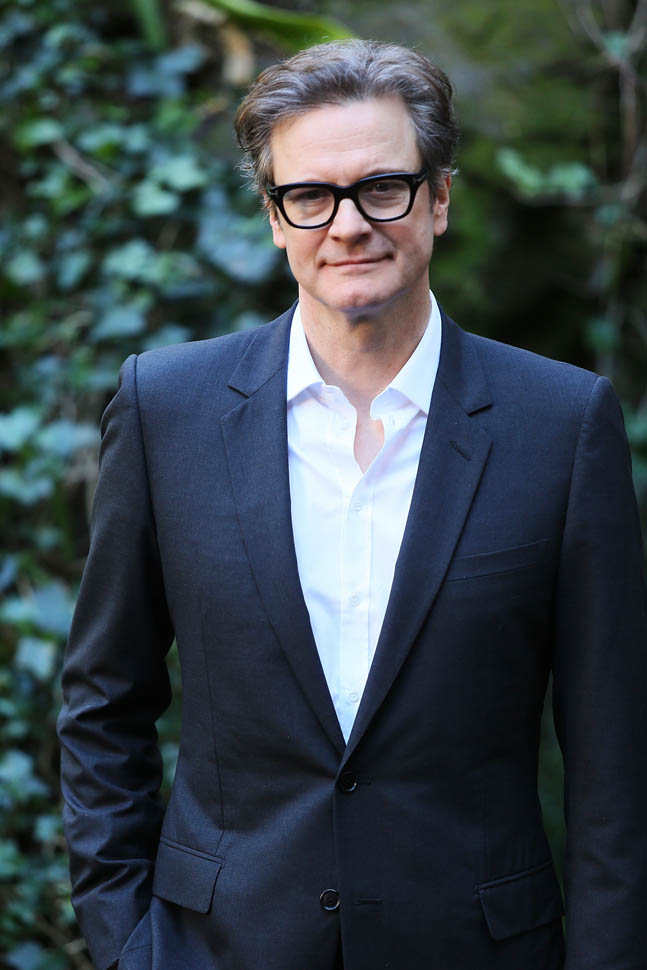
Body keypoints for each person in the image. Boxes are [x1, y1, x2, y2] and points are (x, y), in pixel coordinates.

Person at [57, 39, 647, 970]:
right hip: (214, 948)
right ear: (274, 216)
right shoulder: (166, 409)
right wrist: (127, 944)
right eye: (310, 196)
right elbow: (103, 700)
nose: (348, 225)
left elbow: (615, 752)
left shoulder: (562, 423)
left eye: (383, 188)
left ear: (438, 197)